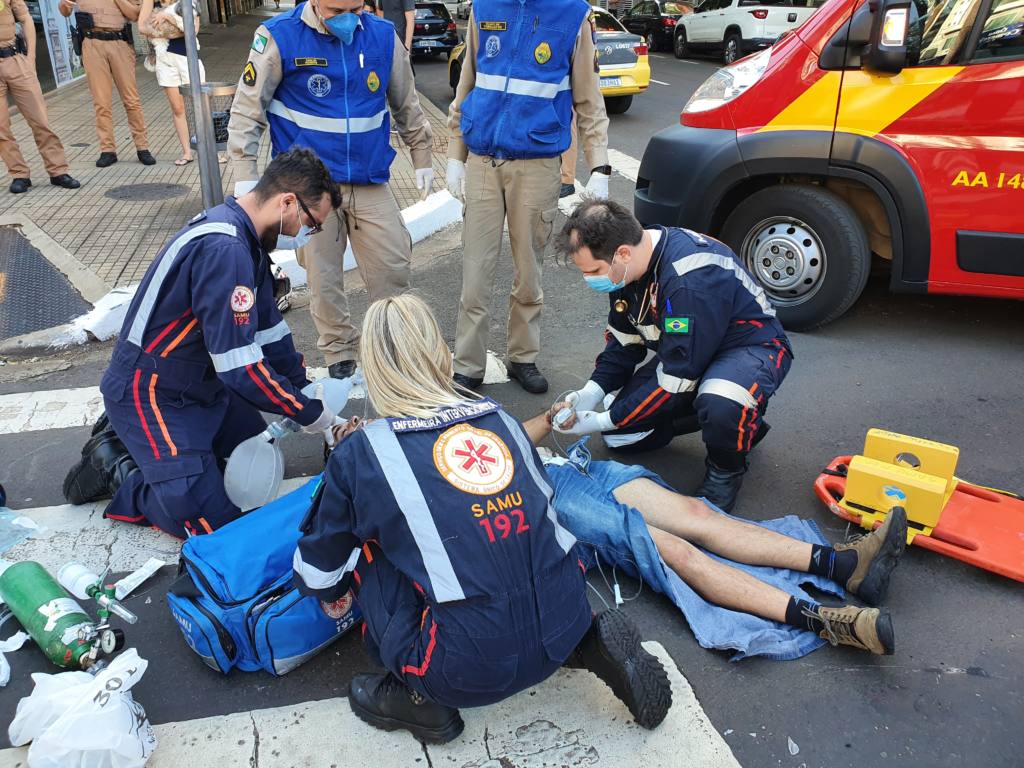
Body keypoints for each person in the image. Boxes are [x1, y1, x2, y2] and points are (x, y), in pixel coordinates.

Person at [293, 294, 671, 744]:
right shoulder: (500, 420)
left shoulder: (364, 451)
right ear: (439, 352)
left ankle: (419, 696)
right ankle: (583, 643)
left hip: (464, 667)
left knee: (364, 547)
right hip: (566, 614)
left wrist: (335, 589)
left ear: (374, 368)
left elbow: (318, 571)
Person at [62, 148, 342, 538]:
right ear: (287, 203)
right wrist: (311, 414)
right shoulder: (225, 249)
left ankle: (165, 457)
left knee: (253, 470)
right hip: (152, 392)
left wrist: (307, 390)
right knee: (211, 526)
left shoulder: (248, 243)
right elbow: (240, 368)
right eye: (311, 223)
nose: (306, 234)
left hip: (202, 383)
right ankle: (115, 465)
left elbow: (271, 334)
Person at [523, 408, 907, 657]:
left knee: (698, 515)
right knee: (672, 550)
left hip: (572, 470)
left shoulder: (484, 413)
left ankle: (845, 566)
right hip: (544, 497)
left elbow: (509, 438)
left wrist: (550, 417)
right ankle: (827, 621)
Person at [227, 0, 433, 382]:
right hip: (308, 187)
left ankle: (393, 346)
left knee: (393, 267)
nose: (348, 19)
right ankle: (339, 352)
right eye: (338, 11)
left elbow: (406, 102)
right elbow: (247, 109)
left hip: (369, 179)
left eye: (356, 8)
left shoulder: (382, 36)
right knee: (322, 278)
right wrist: (245, 173)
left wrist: (421, 154)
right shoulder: (279, 36)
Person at [552, 199, 793, 512]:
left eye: (594, 270)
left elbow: (679, 374)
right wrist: (591, 392)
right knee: (621, 435)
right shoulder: (627, 269)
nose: (590, 280)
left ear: (622, 253)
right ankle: (736, 424)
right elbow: (624, 345)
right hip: (687, 355)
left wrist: (601, 419)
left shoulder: (687, 280)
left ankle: (726, 466)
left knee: (722, 399)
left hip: (749, 347)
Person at [446, 1, 610, 395]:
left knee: (529, 269)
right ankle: (468, 364)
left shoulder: (572, 15)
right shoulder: (485, 7)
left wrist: (600, 165)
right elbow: (467, 83)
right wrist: (455, 154)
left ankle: (522, 357)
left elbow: (588, 100)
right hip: (483, 160)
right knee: (475, 270)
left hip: (537, 163)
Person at [58, 0, 155, 168]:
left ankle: (142, 147)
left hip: (120, 42)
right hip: (91, 42)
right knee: (101, 102)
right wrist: (65, 3)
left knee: (131, 100)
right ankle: (107, 150)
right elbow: (64, 11)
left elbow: (135, 15)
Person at [0, 0, 80, 194]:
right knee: (1, 128)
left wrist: (31, 58)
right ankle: (19, 174)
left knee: (40, 120)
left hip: (15, 60)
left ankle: (58, 171)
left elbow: (26, 19)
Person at [138, 0, 204, 166]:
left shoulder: (187, 2)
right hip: (165, 59)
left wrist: (168, 19)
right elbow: (142, 27)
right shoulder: (150, 1)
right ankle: (187, 152)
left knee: (201, 105)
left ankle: (211, 150)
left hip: (188, 57)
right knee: (177, 108)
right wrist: (173, 32)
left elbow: (193, 30)